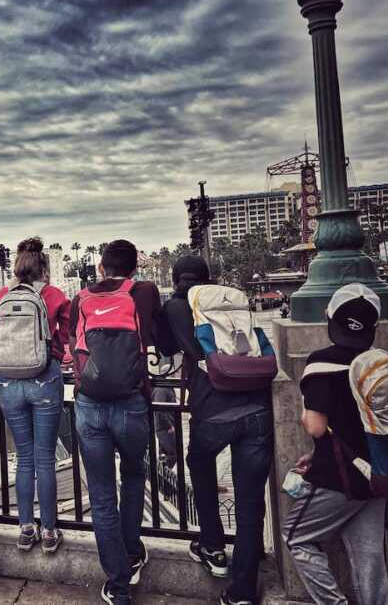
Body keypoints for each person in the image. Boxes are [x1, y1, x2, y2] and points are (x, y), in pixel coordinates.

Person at [157, 255, 272, 605]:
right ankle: (243, 590)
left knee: (199, 462)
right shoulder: (232, 301)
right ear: (209, 279)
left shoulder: (177, 307)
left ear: (177, 280)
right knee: (250, 500)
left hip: (214, 411)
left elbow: (163, 348)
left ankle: (212, 545)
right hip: (258, 407)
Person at [283, 284, 388, 605]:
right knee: (369, 558)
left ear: (330, 320)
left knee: (295, 537)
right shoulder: (381, 363)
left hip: (338, 476)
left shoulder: (320, 364)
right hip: (382, 472)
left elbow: (316, 426)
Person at [68, 239, 161, 604]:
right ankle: (133, 552)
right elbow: (159, 339)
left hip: (89, 404)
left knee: (102, 495)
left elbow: (69, 344)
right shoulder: (145, 292)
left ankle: (118, 584)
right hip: (132, 401)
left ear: (102, 268)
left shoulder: (80, 298)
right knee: (135, 474)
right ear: (135, 267)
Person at [0, 237, 70, 553]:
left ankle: (25, 528)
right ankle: (49, 531)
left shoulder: (4, 295)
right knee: (45, 457)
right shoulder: (53, 295)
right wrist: (55, 352)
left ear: (18, 269)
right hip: (44, 378)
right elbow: (70, 333)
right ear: (42, 268)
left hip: (8, 382)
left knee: (24, 457)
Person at [152, 385, 178, 470]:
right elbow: (159, 410)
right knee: (173, 453)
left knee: (164, 454)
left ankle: (163, 478)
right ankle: (162, 476)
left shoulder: (167, 387)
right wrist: (169, 426)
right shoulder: (161, 389)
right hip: (164, 428)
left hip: (165, 427)